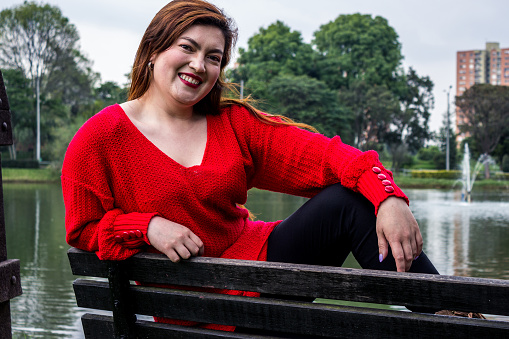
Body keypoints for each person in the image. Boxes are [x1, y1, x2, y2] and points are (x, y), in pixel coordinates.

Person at [61, 0, 439, 332]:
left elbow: (329, 157)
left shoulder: (233, 124)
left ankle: (457, 317)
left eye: (213, 57)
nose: (199, 65)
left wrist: (389, 198)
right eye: (188, 48)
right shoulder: (101, 138)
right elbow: (84, 229)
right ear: (153, 51)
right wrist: (146, 226)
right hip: (199, 309)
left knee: (348, 202)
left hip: (256, 271)